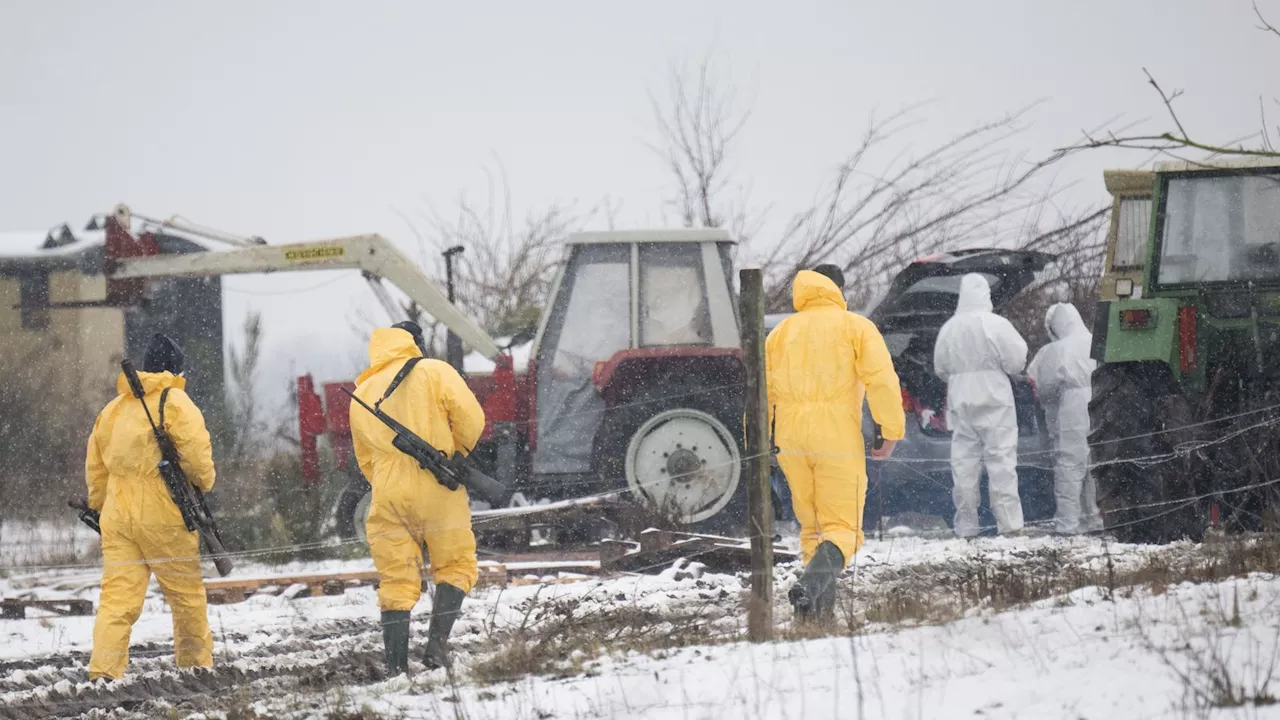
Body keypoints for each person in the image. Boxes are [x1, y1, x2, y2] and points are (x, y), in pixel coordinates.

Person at [766, 264, 904, 621]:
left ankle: (815, 619)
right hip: (835, 435)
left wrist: (761, 438)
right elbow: (881, 380)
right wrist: (890, 431)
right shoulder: (855, 327)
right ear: (838, 289)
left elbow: (762, 393)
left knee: (812, 529)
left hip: (790, 438)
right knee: (845, 530)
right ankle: (809, 587)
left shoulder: (780, 333)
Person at [350, 321, 486, 674]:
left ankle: (396, 667)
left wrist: (387, 481)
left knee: (396, 578)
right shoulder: (434, 370)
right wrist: (455, 456)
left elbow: (364, 458)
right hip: (437, 486)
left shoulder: (362, 391)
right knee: (456, 565)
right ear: (416, 344)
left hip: (387, 494)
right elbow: (472, 419)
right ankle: (436, 650)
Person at [86, 334, 216, 680]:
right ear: (175, 368)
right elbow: (198, 460)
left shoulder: (112, 410)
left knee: (117, 600)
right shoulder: (175, 401)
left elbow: (96, 470)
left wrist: (100, 507)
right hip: (164, 511)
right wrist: (204, 484)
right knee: (185, 595)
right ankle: (194, 668)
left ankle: (104, 672)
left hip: (116, 514)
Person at [933, 273, 1028, 538]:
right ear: (986, 294)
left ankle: (966, 527)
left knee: (963, 468)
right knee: (1002, 464)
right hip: (996, 401)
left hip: (961, 402)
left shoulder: (949, 328)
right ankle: (1010, 527)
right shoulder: (996, 324)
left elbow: (940, 368)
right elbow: (1016, 361)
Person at [1027, 303, 1104, 534]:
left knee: (1069, 464)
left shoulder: (1056, 350)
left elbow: (1042, 387)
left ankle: (1068, 523)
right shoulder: (1098, 341)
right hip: (1101, 400)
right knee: (1095, 464)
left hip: (1073, 405)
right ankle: (1095, 518)